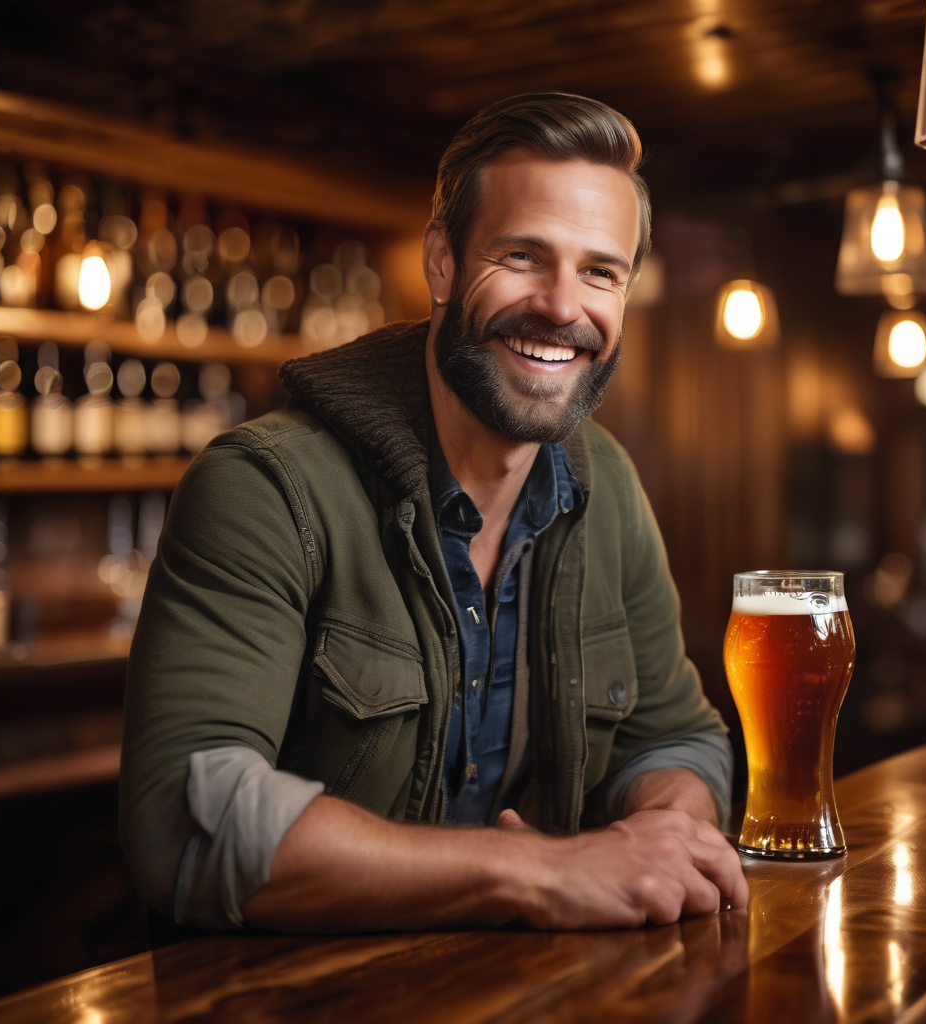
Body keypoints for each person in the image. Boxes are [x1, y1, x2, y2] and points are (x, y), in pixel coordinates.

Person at [120, 91, 748, 934]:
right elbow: (186, 821)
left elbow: (677, 739)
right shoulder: (264, 487)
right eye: (523, 256)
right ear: (443, 261)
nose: (563, 307)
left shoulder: (608, 486)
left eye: (601, 272)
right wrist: (540, 872)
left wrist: (666, 831)